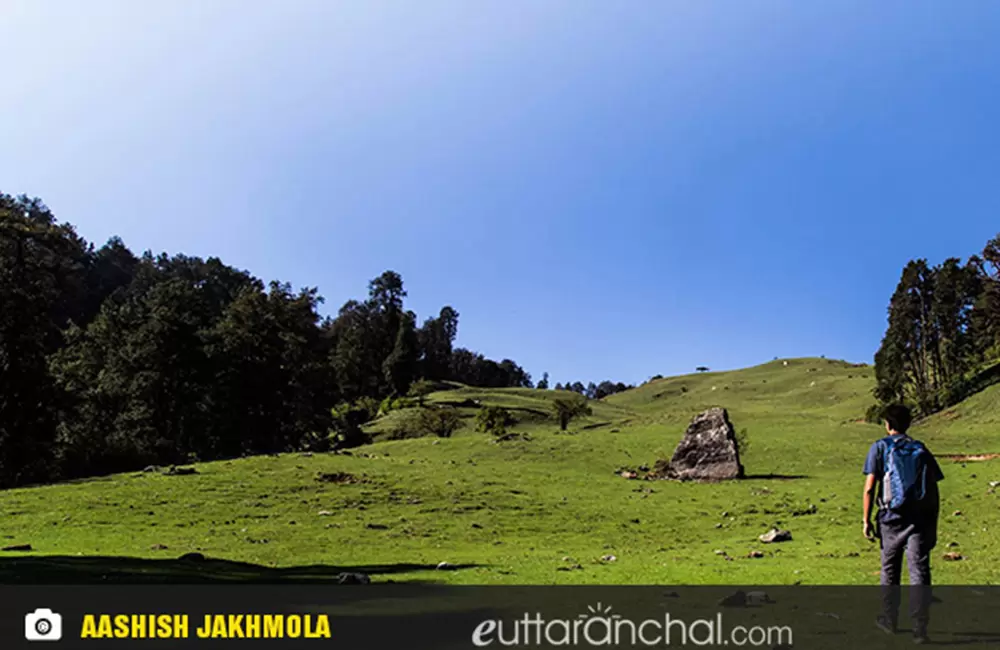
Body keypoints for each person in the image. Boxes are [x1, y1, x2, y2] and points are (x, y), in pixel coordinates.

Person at [862, 403, 944, 644]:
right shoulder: (921, 449)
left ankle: (890, 619)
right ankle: (920, 628)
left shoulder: (879, 447)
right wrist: (933, 523)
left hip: (890, 518)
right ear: (908, 424)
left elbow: (869, 488)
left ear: (887, 425)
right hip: (919, 519)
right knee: (919, 570)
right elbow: (934, 489)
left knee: (890, 569)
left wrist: (866, 520)